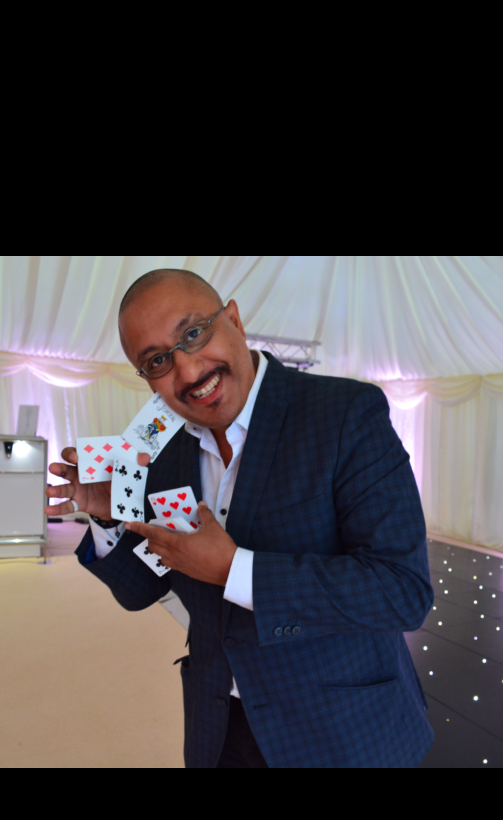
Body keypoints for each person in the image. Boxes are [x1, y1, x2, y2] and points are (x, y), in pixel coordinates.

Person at [45, 269, 434, 768]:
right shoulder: (159, 452)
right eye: (157, 360)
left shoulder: (345, 413)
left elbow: (402, 591)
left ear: (233, 319)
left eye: (193, 333)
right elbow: (140, 589)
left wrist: (235, 570)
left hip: (338, 729)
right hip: (219, 726)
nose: (188, 371)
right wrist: (109, 518)